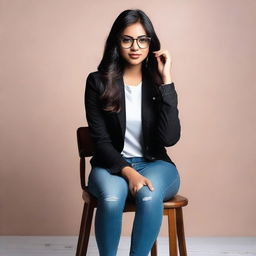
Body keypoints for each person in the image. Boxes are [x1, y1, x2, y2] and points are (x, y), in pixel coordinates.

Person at [84, 9, 181, 256]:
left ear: (151, 43)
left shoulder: (158, 83)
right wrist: (128, 173)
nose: (135, 46)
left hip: (155, 165)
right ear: (117, 42)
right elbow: (100, 140)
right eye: (127, 39)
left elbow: (170, 138)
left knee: (149, 196)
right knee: (112, 199)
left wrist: (167, 81)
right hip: (111, 166)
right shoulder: (98, 82)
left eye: (142, 39)